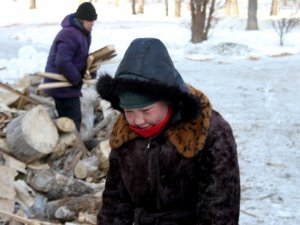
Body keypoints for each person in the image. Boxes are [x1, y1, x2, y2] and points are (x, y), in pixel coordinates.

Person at [96, 38, 240, 225]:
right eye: (129, 111)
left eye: (146, 110)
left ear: (168, 99)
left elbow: (220, 209)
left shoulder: (208, 131)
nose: (137, 121)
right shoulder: (125, 132)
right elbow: (115, 202)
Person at [43, 2, 97, 131]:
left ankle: (70, 148)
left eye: (94, 20)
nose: (93, 23)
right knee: (72, 123)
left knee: (71, 121)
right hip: (61, 86)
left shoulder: (83, 34)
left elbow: (80, 58)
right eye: (90, 20)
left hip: (69, 85)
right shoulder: (69, 34)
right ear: (82, 20)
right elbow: (62, 62)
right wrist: (77, 79)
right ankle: (72, 149)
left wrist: (89, 71)